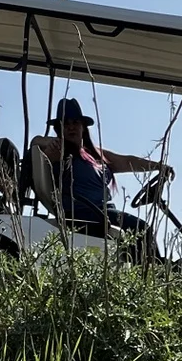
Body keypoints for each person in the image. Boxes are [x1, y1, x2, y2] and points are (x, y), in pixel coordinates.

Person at [36, 96, 170, 254]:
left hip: (105, 212)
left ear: (83, 127)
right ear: (59, 129)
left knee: (138, 232)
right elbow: (36, 142)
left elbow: (127, 161)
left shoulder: (94, 154)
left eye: (75, 122)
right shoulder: (59, 152)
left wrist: (158, 166)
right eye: (66, 123)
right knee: (142, 229)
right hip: (82, 214)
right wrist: (50, 142)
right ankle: (153, 268)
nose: (71, 127)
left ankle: (149, 263)